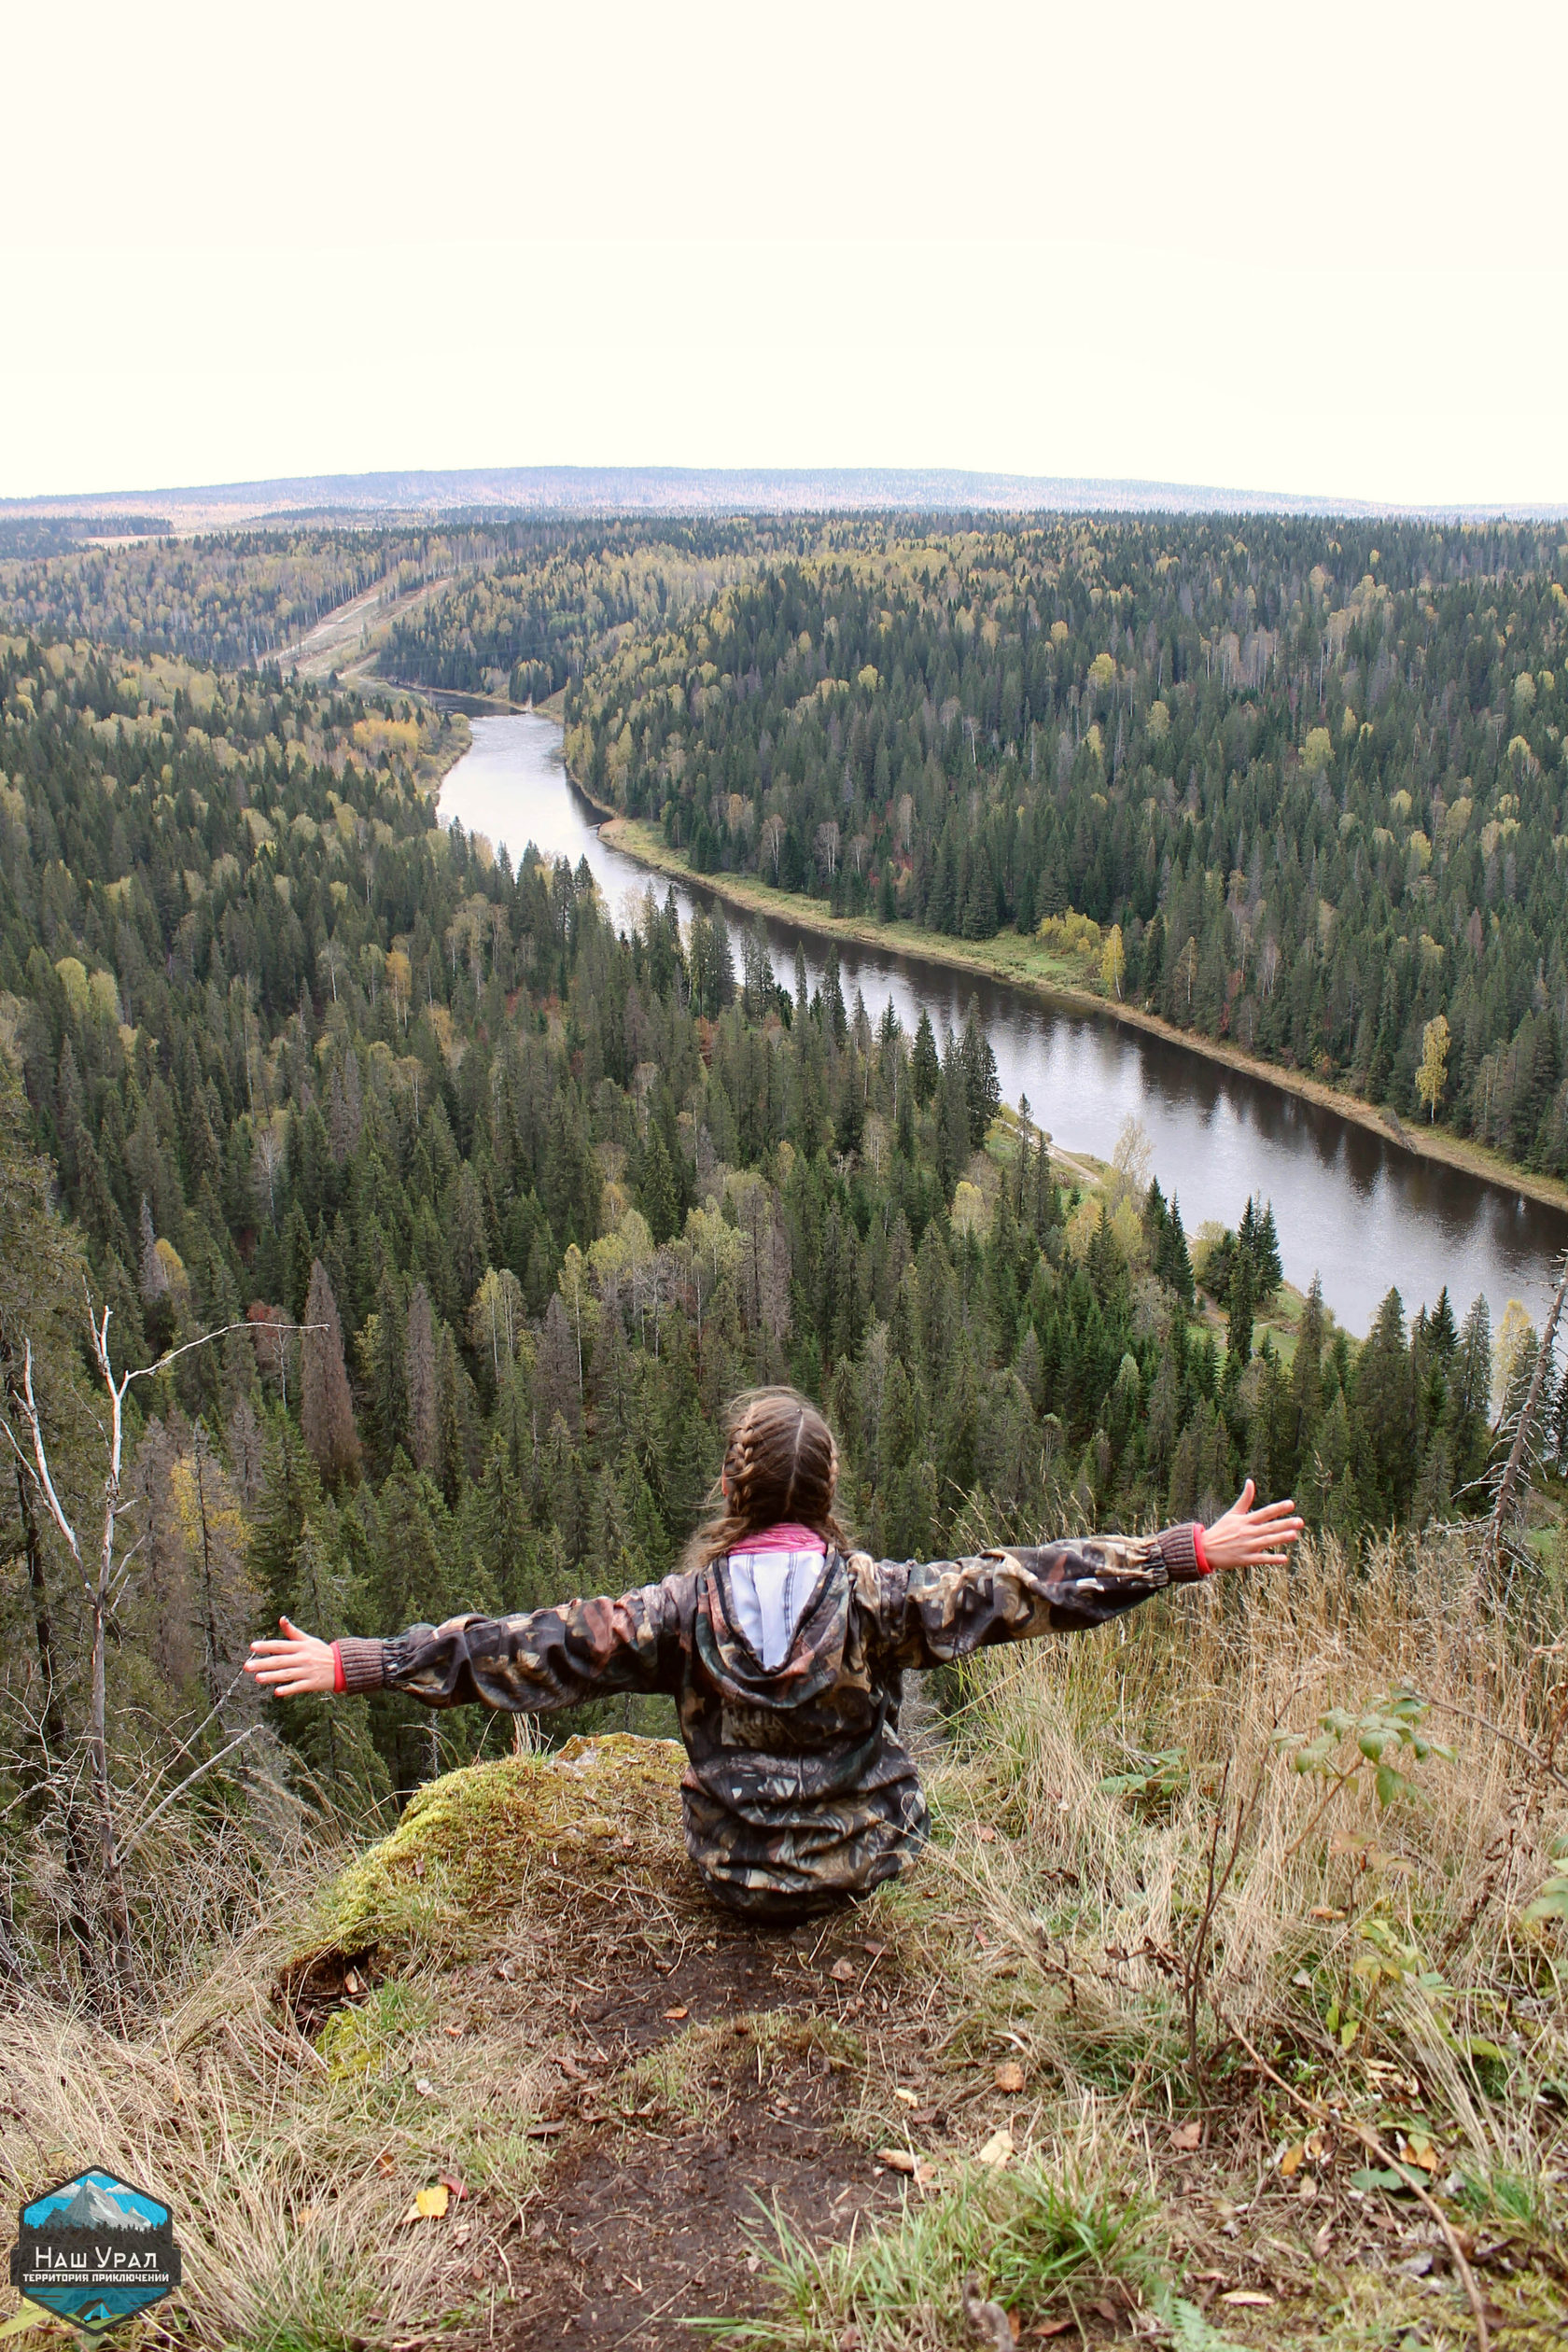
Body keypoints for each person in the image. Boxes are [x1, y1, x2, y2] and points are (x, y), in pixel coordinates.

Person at [245, 1387, 1302, 1923]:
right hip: (865, 1866)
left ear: (734, 1492)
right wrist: (1183, 1552)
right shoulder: (880, 1599)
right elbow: (1029, 1584)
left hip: (733, 1878)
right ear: (827, 1493)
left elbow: (527, 1651)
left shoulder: (674, 1612)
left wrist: (363, 1662)